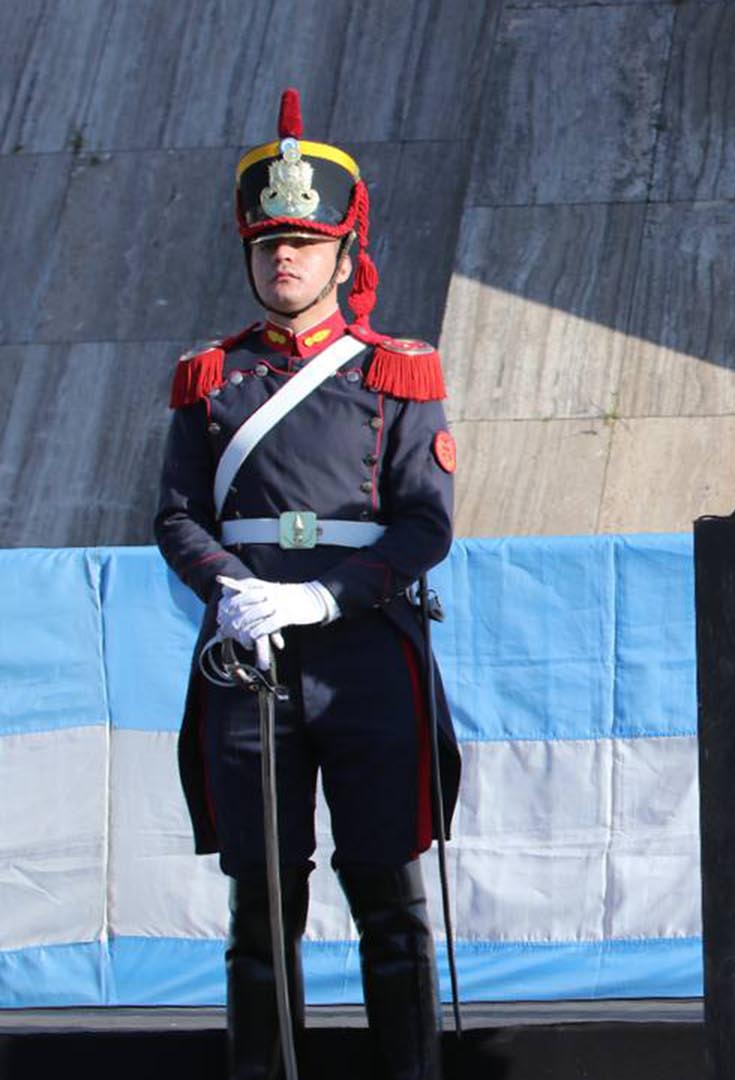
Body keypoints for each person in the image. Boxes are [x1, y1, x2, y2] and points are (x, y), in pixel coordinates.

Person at [154, 88, 459, 1080]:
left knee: (389, 898)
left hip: (365, 653)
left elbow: (426, 521)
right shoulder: (209, 379)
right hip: (250, 661)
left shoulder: (398, 374)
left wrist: (329, 596)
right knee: (261, 906)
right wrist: (232, 586)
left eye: (305, 241)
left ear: (344, 251)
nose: (283, 258)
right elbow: (176, 514)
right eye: (268, 242)